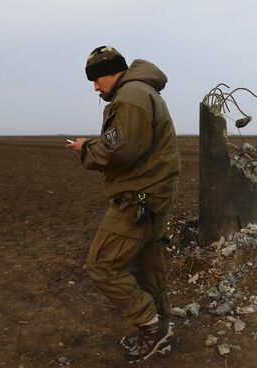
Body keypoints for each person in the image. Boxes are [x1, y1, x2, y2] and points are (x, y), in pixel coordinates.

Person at [66, 46, 181, 364]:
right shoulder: (142, 91)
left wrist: (86, 148)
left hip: (138, 198)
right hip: (155, 194)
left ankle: (152, 328)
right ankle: (160, 328)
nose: (95, 87)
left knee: (102, 266)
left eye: (96, 78)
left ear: (111, 71)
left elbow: (122, 150)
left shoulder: (129, 96)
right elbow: (128, 143)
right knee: (147, 263)